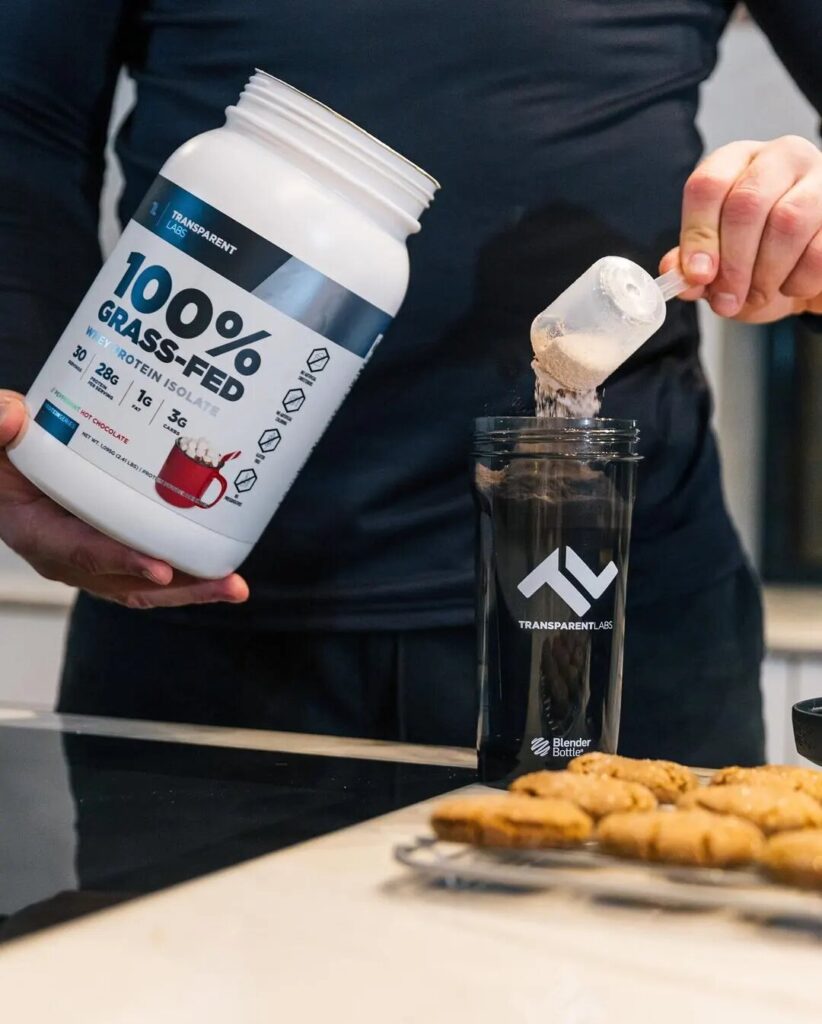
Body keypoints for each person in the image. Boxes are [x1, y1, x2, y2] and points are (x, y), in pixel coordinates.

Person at [0, 1, 820, 763]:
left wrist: (806, 228)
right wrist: (30, 428)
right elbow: (19, 126)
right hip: (188, 596)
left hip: (609, 603)